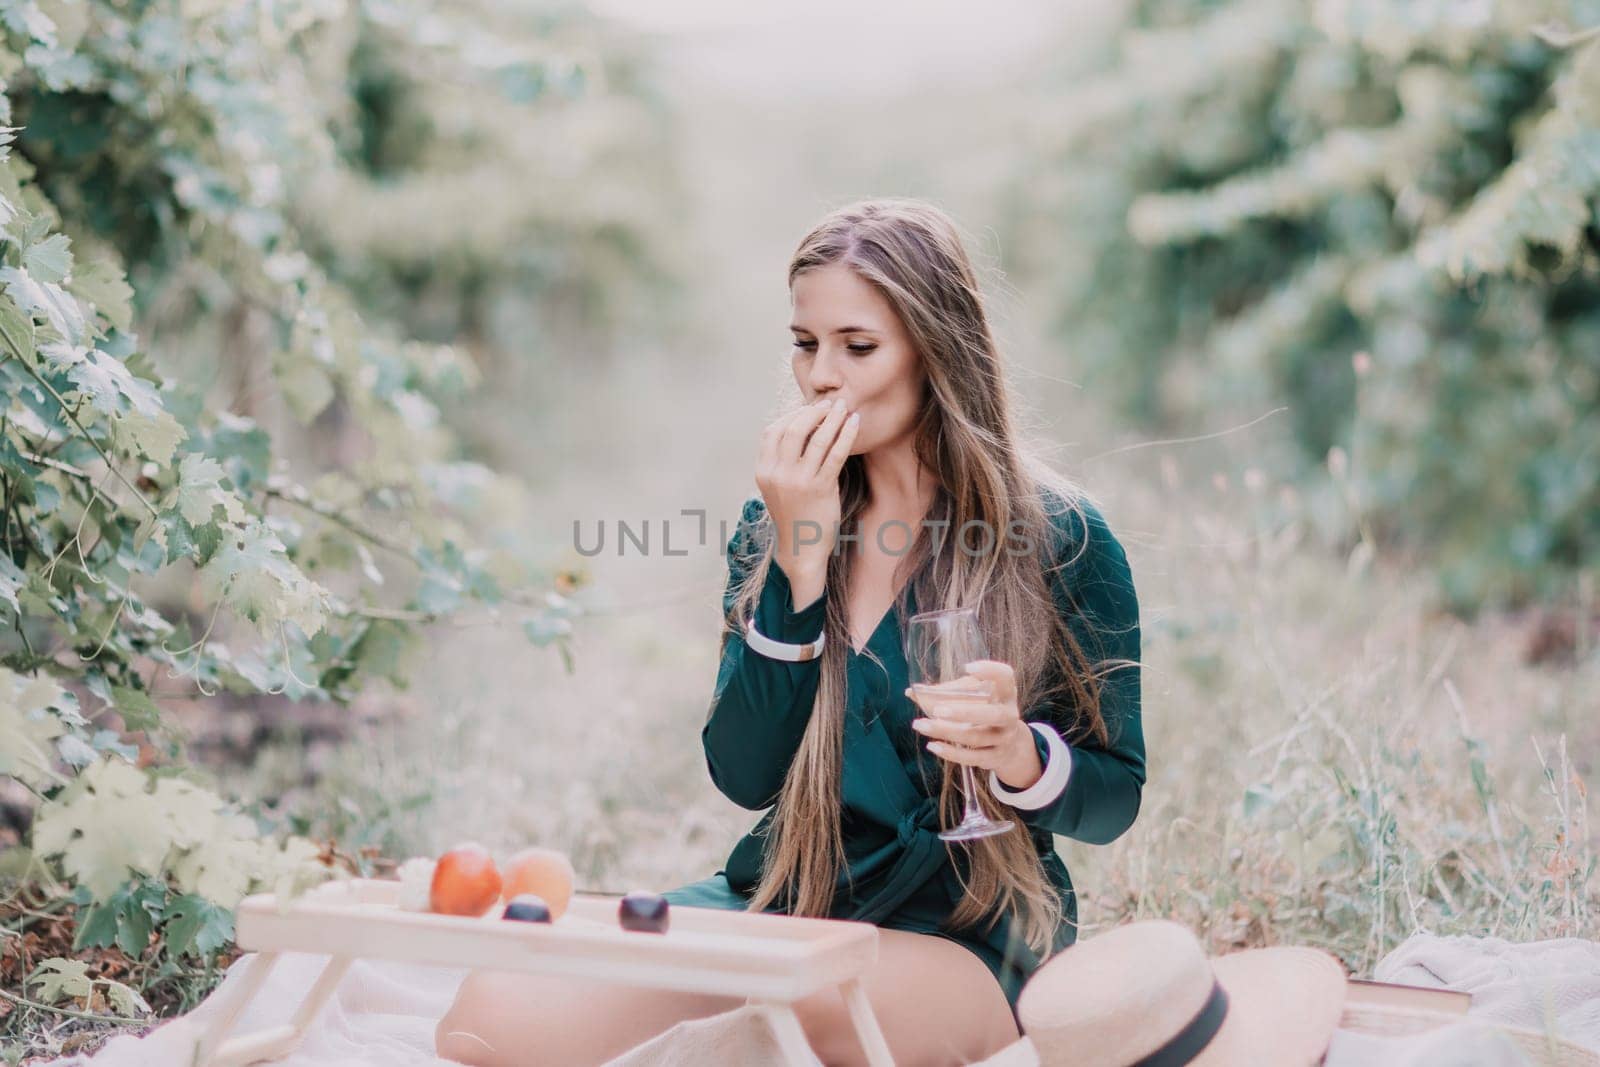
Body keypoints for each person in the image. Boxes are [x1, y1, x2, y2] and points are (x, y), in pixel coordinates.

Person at [435, 197, 1144, 1066]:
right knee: (492, 1013)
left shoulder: (1059, 534)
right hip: (790, 901)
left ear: (937, 350)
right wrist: (800, 571)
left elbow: (1115, 796)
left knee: (780, 1030)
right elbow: (744, 772)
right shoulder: (771, 522)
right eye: (806, 345)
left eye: (858, 345)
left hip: (966, 932)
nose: (821, 376)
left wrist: (1019, 755)